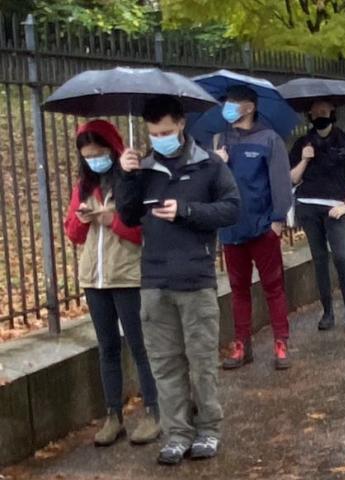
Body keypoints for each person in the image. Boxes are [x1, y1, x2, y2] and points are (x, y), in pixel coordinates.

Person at [115, 94, 240, 465]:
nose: (160, 138)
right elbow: (127, 215)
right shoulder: (144, 167)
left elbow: (232, 209)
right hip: (154, 280)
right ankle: (176, 433)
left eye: (166, 131)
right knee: (165, 363)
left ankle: (208, 430)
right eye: (154, 133)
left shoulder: (209, 165)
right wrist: (126, 175)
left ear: (181, 124)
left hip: (195, 278)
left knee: (201, 362)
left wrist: (187, 211)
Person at [63, 120, 161, 447]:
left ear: (112, 148)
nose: (94, 159)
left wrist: (111, 220)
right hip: (94, 277)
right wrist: (80, 219)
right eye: (88, 155)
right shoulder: (84, 186)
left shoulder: (129, 181)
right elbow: (74, 235)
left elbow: (141, 229)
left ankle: (153, 411)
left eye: (99, 153)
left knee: (139, 344)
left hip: (128, 274)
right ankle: (113, 415)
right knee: (107, 348)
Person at [214, 85, 294, 371]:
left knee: (273, 286)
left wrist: (277, 220)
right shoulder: (221, 141)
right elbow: (213, 185)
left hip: (262, 227)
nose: (228, 107)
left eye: (233, 102)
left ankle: (281, 343)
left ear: (249, 107)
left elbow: (281, 182)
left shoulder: (269, 140)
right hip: (231, 228)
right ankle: (241, 345)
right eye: (226, 102)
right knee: (238, 289)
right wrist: (218, 164)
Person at [289, 99, 345, 332]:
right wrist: (304, 159)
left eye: (324, 111)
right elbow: (292, 178)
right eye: (315, 112)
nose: (320, 115)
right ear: (309, 115)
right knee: (319, 260)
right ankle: (327, 312)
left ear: (333, 112)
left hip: (335, 209)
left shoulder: (344, 140)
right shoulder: (303, 143)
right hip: (308, 206)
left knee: (341, 257)